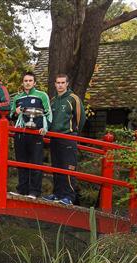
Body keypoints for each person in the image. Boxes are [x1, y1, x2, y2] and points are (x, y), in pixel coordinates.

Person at [43, 73, 86, 205]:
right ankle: (57, 194)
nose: (60, 85)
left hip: (68, 138)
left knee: (68, 167)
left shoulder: (73, 99)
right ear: (55, 84)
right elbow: (49, 119)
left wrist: (73, 132)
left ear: (67, 84)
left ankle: (69, 196)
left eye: (63, 83)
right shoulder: (53, 101)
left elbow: (81, 118)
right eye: (58, 83)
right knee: (57, 166)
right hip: (54, 138)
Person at [10, 71, 52, 199]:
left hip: (35, 134)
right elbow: (10, 115)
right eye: (25, 81)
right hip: (21, 134)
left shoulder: (42, 96)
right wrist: (15, 112)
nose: (27, 83)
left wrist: (45, 128)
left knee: (35, 163)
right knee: (21, 162)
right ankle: (22, 189)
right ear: (22, 83)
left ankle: (34, 191)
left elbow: (48, 113)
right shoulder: (18, 98)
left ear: (34, 82)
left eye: (30, 81)